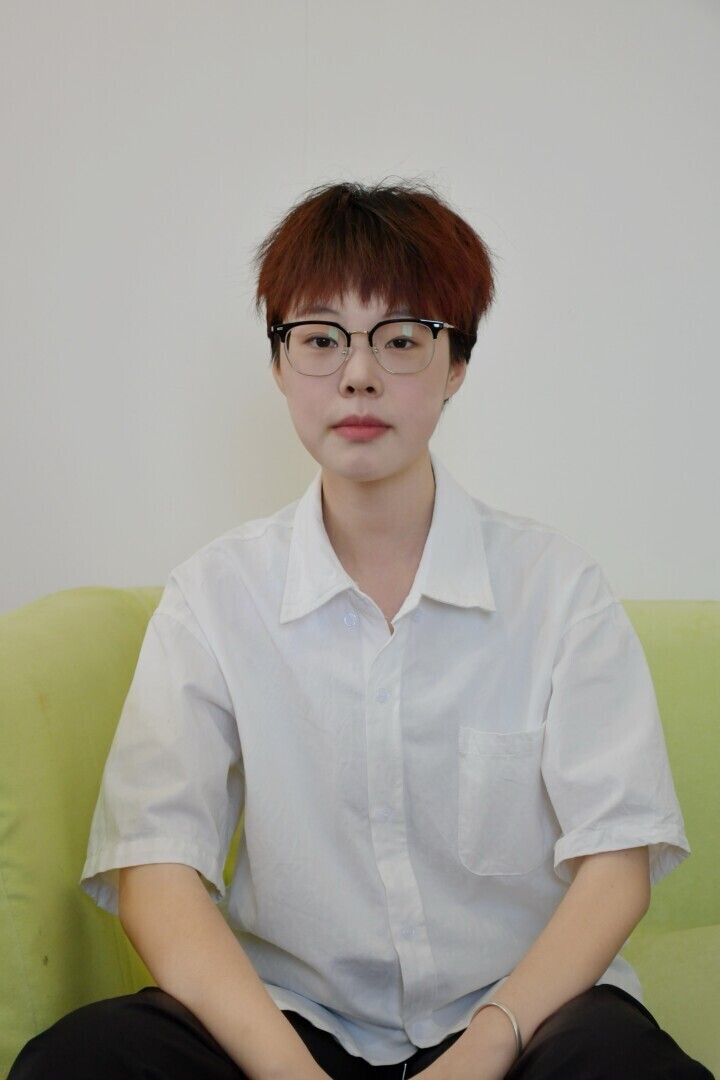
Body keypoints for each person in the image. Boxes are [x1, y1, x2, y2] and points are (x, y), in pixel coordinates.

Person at [9, 180, 713, 1080]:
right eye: (320, 338)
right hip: (289, 1026)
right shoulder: (215, 597)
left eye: (401, 339)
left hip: (522, 1021)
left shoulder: (558, 591)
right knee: (78, 1064)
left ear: (457, 364)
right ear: (279, 363)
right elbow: (156, 868)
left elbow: (616, 862)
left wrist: (488, 1044)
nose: (358, 374)